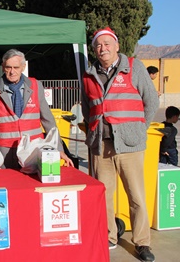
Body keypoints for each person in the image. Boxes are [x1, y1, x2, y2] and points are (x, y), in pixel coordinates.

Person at [81, 27, 159, 261]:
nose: (102, 48)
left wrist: (137, 130)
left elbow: (151, 102)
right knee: (103, 195)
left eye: (106, 44)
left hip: (130, 145)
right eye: (98, 45)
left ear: (116, 46)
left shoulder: (134, 68)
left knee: (136, 195)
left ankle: (142, 242)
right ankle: (109, 236)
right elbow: (87, 108)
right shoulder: (88, 75)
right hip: (100, 146)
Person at [0, 49, 73, 169]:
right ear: (3, 67)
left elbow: (48, 121)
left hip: (33, 151)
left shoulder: (36, 86)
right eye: (8, 67)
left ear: (23, 67)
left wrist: (59, 149)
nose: (12, 71)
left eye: (16, 67)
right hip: (4, 154)